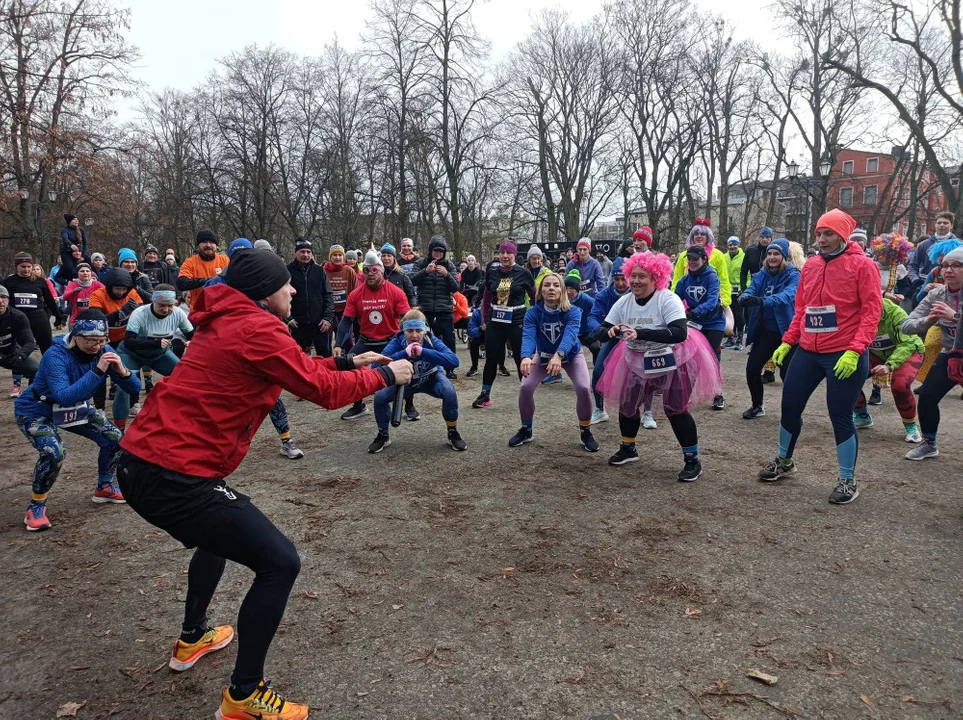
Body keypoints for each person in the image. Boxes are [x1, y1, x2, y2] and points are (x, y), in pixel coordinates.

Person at [116, 248, 413, 719]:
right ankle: (244, 695)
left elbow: (303, 371)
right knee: (280, 563)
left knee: (214, 539)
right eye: (285, 284)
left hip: (143, 464)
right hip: (173, 475)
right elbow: (323, 392)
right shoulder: (257, 328)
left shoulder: (230, 321)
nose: (293, 289)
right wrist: (383, 374)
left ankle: (192, 639)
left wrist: (354, 363)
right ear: (263, 292)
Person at [758, 209, 881, 504]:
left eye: (829, 234)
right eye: (818, 234)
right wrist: (788, 342)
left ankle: (847, 480)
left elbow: (871, 311)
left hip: (844, 352)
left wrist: (855, 349)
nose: (822, 239)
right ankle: (785, 461)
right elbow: (802, 309)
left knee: (840, 414)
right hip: (809, 350)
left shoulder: (863, 266)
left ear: (843, 236)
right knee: (789, 405)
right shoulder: (811, 266)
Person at [594, 252, 722, 480]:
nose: (635, 281)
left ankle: (693, 460)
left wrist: (640, 332)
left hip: (675, 358)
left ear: (656, 278)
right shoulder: (624, 301)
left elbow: (679, 333)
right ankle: (628, 448)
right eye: (632, 276)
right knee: (628, 403)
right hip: (637, 357)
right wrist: (610, 332)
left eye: (642, 276)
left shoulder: (667, 298)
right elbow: (601, 330)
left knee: (675, 409)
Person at [16, 308, 140, 531]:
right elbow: (64, 396)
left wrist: (123, 372)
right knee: (54, 452)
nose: (97, 346)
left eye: (101, 340)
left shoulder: (105, 350)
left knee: (115, 438)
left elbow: (134, 388)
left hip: (77, 408)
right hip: (36, 409)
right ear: (76, 336)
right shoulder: (55, 355)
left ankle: (104, 486)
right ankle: (36, 505)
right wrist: (99, 371)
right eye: (91, 341)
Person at [509, 272, 599, 452]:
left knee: (583, 387)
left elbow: (571, 335)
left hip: (571, 355)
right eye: (547, 285)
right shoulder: (533, 313)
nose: (551, 288)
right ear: (540, 290)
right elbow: (528, 335)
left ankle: (586, 431)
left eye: (556, 285)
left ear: (563, 290)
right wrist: (526, 356)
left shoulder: (573, 311)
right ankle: (526, 429)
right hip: (543, 355)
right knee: (525, 387)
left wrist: (559, 355)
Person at [369, 309, 466, 453]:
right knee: (380, 396)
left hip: (430, 379)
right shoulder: (397, 342)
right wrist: (403, 353)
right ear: (403, 331)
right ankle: (383, 434)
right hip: (405, 383)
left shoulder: (431, 340)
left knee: (449, 390)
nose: (414, 335)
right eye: (409, 331)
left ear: (425, 330)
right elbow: (375, 366)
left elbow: (454, 361)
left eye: (418, 331)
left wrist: (424, 352)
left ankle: (452, 432)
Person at [902, 246, 963, 460]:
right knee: (927, 395)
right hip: (951, 352)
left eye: (956, 265)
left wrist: (955, 316)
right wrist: (928, 321)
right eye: (945, 265)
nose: (949, 270)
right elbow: (906, 325)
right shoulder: (937, 293)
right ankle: (929, 443)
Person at [335, 251, 411, 420]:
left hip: (390, 340)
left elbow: (407, 318)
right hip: (367, 340)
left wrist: (410, 340)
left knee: (404, 366)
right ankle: (358, 405)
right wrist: (338, 344)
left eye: (374, 270)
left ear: (382, 271)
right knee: (350, 364)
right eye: (367, 271)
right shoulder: (355, 294)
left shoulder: (395, 292)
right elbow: (346, 321)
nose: (370, 274)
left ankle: (409, 405)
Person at [110, 284, 194, 431]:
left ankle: (179, 420)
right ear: (154, 301)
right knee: (124, 388)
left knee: (184, 378)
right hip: (131, 354)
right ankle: (119, 430)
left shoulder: (178, 313)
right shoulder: (140, 313)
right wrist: (155, 342)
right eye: (162, 305)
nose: (166, 310)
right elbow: (129, 342)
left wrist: (191, 341)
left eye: (170, 306)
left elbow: (192, 335)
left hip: (159, 355)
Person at [738, 238, 800, 418]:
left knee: (788, 376)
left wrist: (762, 301)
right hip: (765, 331)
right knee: (752, 369)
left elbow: (787, 296)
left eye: (776, 254)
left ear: (784, 257)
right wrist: (745, 297)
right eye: (770, 254)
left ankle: (792, 412)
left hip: (787, 333)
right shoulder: (760, 274)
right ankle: (757, 406)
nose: (772, 257)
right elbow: (751, 289)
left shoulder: (793, 275)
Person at [472, 241, 536, 409]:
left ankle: (526, 393)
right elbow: (486, 297)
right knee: (491, 358)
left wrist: (536, 319)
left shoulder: (524, 273)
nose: (505, 256)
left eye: (509, 253)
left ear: (514, 255)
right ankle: (485, 394)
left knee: (520, 358)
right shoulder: (492, 272)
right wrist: (485, 319)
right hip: (496, 319)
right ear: (498, 254)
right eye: (502, 253)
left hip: (517, 320)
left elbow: (535, 297)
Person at [851, 298, 924, 441]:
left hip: (908, 350)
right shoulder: (853, 311)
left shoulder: (896, 313)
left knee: (900, 386)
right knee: (847, 376)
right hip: (876, 353)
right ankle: (862, 415)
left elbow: (907, 343)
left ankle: (910, 425)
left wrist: (889, 365)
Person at [675, 245, 727, 410]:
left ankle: (717, 395)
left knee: (710, 358)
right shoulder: (684, 280)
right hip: (695, 323)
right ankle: (684, 396)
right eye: (689, 259)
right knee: (691, 359)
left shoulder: (712, 277)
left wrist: (693, 312)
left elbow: (712, 302)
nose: (692, 262)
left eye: (695, 259)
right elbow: (675, 298)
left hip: (714, 323)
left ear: (704, 259)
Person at [587, 263, 634, 426]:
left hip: (636, 339)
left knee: (642, 375)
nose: (621, 283)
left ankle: (647, 411)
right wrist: (603, 331)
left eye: (624, 279)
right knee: (599, 371)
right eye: (616, 279)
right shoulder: (604, 295)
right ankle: (600, 409)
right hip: (613, 338)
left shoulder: (637, 293)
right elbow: (592, 317)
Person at [411, 235, 459, 376]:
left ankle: (450, 368)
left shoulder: (449, 265)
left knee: (449, 338)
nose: (438, 253)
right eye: (435, 250)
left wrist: (446, 275)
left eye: (441, 251)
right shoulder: (421, 263)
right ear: (430, 251)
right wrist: (426, 271)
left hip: (444, 307)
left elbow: (456, 288)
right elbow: (411, 281)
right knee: (420, 336)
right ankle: (420, 364)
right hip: (424, 307)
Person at [4, 253, 64, 362]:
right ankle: (18, 373)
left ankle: (49, 369)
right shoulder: (9, 281)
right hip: (18, 318)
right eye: (23, 267)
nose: (26, 270)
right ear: (16, 266)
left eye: (28, 267)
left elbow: (50, 300)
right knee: (19, 347)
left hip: (38, 316)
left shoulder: (40, 281)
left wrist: (59, 317)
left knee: (46, 344)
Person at [286, 238, 334, 358]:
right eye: (302, 251)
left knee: (325, 356)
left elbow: (328, 294)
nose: (306, 255)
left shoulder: (319, 271)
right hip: (297, 324)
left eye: (308, 252)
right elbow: (281, 295)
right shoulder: (287, 271)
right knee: (298, 358)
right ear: (295, 253)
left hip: (319, 324)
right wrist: (288, 318)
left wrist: (328, 318)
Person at [907, 211, 956, 302]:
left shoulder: (958, 245)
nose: (941, 225)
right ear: (935, 225)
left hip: (950, 288)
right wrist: (916, 280)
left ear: (951, 225)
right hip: (925, 286)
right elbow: (912, 265)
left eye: (945, 223)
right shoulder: (923, 245)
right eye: (939, 223)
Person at [0, 284, 40, 392]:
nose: (0, 301)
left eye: (3, 297)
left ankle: (32, 398)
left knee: (37, 370)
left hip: (11, 351)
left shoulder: (17, 316)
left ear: (8, 299)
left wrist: (21, 356)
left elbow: (29, 341)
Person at [176, 229, 230, 308]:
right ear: (198, 245)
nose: (208, 245)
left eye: (211, 242)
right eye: (204, 242)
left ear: (216, 245)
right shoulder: (190, 262)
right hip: (199, 309)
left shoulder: (225, 261)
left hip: (222, 308)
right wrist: (205, 281)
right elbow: (181, 283)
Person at [323, 244, 359, 351]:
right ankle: (329, 363)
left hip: (345, 311)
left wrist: (353, 310)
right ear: (330, 257)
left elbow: (355, 291)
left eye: (340, 255)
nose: (338, 258)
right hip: (328, 312)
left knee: (346, 340)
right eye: (335, 255)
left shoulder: (349, 271)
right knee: (327, 340)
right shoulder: (324, 270)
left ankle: (347, 362)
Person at [63, 262, 105, 327]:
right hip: (76, 319)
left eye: (87, 271)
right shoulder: (73, 284)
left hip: (94, 319)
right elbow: (65, 297)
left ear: (91, 273)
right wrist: (74, 291)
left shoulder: (97, 284)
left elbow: (107, 294)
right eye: (82, 271)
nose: (85, 273)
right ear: (78, 273)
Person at [722, 236, 745, 349]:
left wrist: (745, 288)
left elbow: (747, 274)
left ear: (738, 245)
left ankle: (740, 340)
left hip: (739, 289)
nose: (732, 247)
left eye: (735, 244)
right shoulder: (724, 257)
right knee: (729, 314)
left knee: (739, 314)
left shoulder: (743, 257)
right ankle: (730, 338)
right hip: (727, 290)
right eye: (730, 244)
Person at [740, 226, 773, 293]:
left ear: (771, 238)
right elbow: (743, 271)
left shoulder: (774, 252)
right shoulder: (751, 251)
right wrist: (743, 288)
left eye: (767, 237)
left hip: (771, 287)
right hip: (754, 287)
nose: (764, 240)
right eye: (762, 237)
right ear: (759, 238)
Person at [466, 305, 484, 377]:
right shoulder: (477, 312)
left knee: (501, 342)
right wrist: (480, 328)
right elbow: (470, 330)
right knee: (473, 343)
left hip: (495, 333)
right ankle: (474, 367)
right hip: (482, 332)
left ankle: (501, 366)